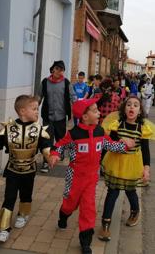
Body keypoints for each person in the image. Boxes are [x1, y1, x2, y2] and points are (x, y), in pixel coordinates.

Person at [48, 98, 135, 254]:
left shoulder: (100, 131)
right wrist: (54, 154)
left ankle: (85, 241)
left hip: (91, 178)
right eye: (95, 111)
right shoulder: (74, 134)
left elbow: (109, 144)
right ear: (84, 116)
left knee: (88, 209)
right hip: (74, 178)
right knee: (70, 204)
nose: (99, 113)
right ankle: (63, 216)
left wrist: (124, 146)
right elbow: (60, 144)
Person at [0, 95, 51, 243]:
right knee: (9, 197)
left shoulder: (38, 129)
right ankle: (4, 229)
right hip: (12, 170)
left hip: (29, 170)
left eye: (37, 109)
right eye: (34, 109)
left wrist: (50, 157)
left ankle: (23, 214)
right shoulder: (9, 128)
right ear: (23, 111)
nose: (37, 112)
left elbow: (45, 146)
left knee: (26, 195)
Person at [98, 96, 155, 242]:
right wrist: (120, 141)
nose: (132, 107)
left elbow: (146, 150)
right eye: (129, 104)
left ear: (140, 111)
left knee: (130, 191)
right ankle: (105, 224)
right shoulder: (117, 125)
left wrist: (146, 169)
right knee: (112, 192)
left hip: (132, 164)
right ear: (124, 108)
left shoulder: (142, 128)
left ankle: (135, 212)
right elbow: (109, 144)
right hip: (115, 161)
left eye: (136, 105)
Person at [39, 60, 73, 173]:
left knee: (60, 138)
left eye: (62, 69)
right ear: (52, 69)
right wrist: (33, 108)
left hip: (61, 116)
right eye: (57, 69)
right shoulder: (45, 82)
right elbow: (39, 97)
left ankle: (59, 153)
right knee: (47, 139)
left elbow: (73, 97)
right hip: (47, 116)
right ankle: (46, 161)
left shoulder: (66, 83)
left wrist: (77, 108)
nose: (59, 71)